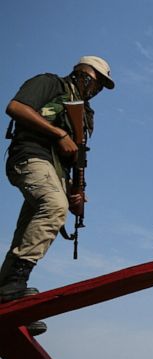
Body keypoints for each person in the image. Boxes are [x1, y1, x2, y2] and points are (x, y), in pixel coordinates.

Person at [1, 56, 114, 336]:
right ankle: (14, 286)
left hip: (57, 171)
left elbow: (77, 156)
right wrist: (57, 133)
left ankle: (7, 295)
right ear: (82, 74)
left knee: (28, 229)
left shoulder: (87, 115)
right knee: (53, 206)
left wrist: (78, 190)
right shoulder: (50, 83)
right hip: (31, 155)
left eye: (101, 86)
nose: (96, 89)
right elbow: (15, 107)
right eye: (96, 81)